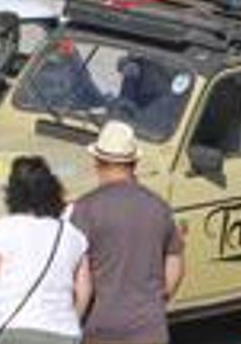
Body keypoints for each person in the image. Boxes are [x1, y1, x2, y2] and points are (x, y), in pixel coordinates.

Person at [69, 121, 185, 344]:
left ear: (98, 162)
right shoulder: (158, 207)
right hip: (149, 328)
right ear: (135, 163)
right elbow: (175, 262)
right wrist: (158, 301)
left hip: (100, 327)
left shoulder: (85, 209)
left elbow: (76, 274)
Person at [0, 157, 91, 344]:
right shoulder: (72, 235)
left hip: (15, 332)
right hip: (64, 334)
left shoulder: (5, 228)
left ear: (13, 193)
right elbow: (84, 290)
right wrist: (70, 323)